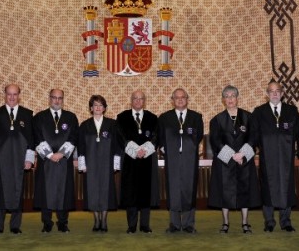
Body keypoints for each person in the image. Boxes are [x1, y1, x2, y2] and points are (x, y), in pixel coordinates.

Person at [208, 85, 260, 234]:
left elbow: (253, 138)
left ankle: (245, 222)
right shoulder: (216, 120)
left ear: (237, 98)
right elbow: (215, 141)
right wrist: (232, 155)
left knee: (245, 190)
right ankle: (225, 223)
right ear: (223, 100)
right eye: (227, 96)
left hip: (244, 160)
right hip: (225, 161)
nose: (230, 99)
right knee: (225, 192)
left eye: (233, 96)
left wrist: (242, 154)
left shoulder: (249, 117)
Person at [249, 81, 299, 233]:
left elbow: (297, 132)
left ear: (282, 93)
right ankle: (269, 222)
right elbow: (254, 134)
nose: (275, 93)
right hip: (267, 158)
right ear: (267, 94)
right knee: (267, 188)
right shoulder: (259, 112)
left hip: (286, 158)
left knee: (286, 187)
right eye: (271, 91)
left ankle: (286, 222)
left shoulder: (292, 111)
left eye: (278, 90)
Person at [0, 84, 34, 235]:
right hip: (1, 162)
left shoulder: (27, 115)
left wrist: (29, 159)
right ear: (4, 95)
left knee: (17, 191)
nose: (12, 97)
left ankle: (15, 226)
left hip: (20, 162)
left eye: (15, 94)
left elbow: (31, 140)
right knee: (0, 193)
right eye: (9, 94)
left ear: (19, 95)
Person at [33, 89, 79, 233]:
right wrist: (49, 154)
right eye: (54, 98)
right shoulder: (39, 117)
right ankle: (47, 223)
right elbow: (37, 137)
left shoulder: (71, 117)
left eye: (60, 98)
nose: (57, 101)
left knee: (63, 192)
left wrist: (61, 154)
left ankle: (62, 222)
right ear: (49, 98)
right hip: (46, 161)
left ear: (63, 99)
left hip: (64, 161)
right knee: (45, 192)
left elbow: (73, 137)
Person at [158, 88, 204, 233]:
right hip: (172, 160)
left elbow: (199, 136)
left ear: (187, 99)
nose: (179, 99)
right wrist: (167, 151)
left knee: (189, 189)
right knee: (173, 189)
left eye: (182, 97)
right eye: (176, 97)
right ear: (172, 100)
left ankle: (189, 224)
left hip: (190, 159)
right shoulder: (164, 118)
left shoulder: (196, 117)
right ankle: (175, 224)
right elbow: (160, 138)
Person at [77, 95, 122, 233]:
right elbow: (81, 145)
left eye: (100, 105)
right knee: (93, 191)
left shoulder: (112, 124)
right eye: (95, 105)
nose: (98, 107)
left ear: (104, 108)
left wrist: (116, 162)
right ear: (91, 108)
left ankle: (104, 220)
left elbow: (117, 144)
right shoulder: (84, 125)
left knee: (105, 192)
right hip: (91, 164)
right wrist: (82, 163)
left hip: (106, 164)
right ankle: (96, 220)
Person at [117, 90, 159, 234]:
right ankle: (132, 225)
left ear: (144, 101)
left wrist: (145, 150)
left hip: (147, 161)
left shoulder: (153, 118)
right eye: (135, 98)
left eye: (141, 99)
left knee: (146, 192)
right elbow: (121, 137)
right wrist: (136, 150)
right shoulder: (121, 117)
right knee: (131, 193)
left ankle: (145, 225)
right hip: (130, 161)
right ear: (131, 100)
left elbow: (156, 137)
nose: (138, 101)